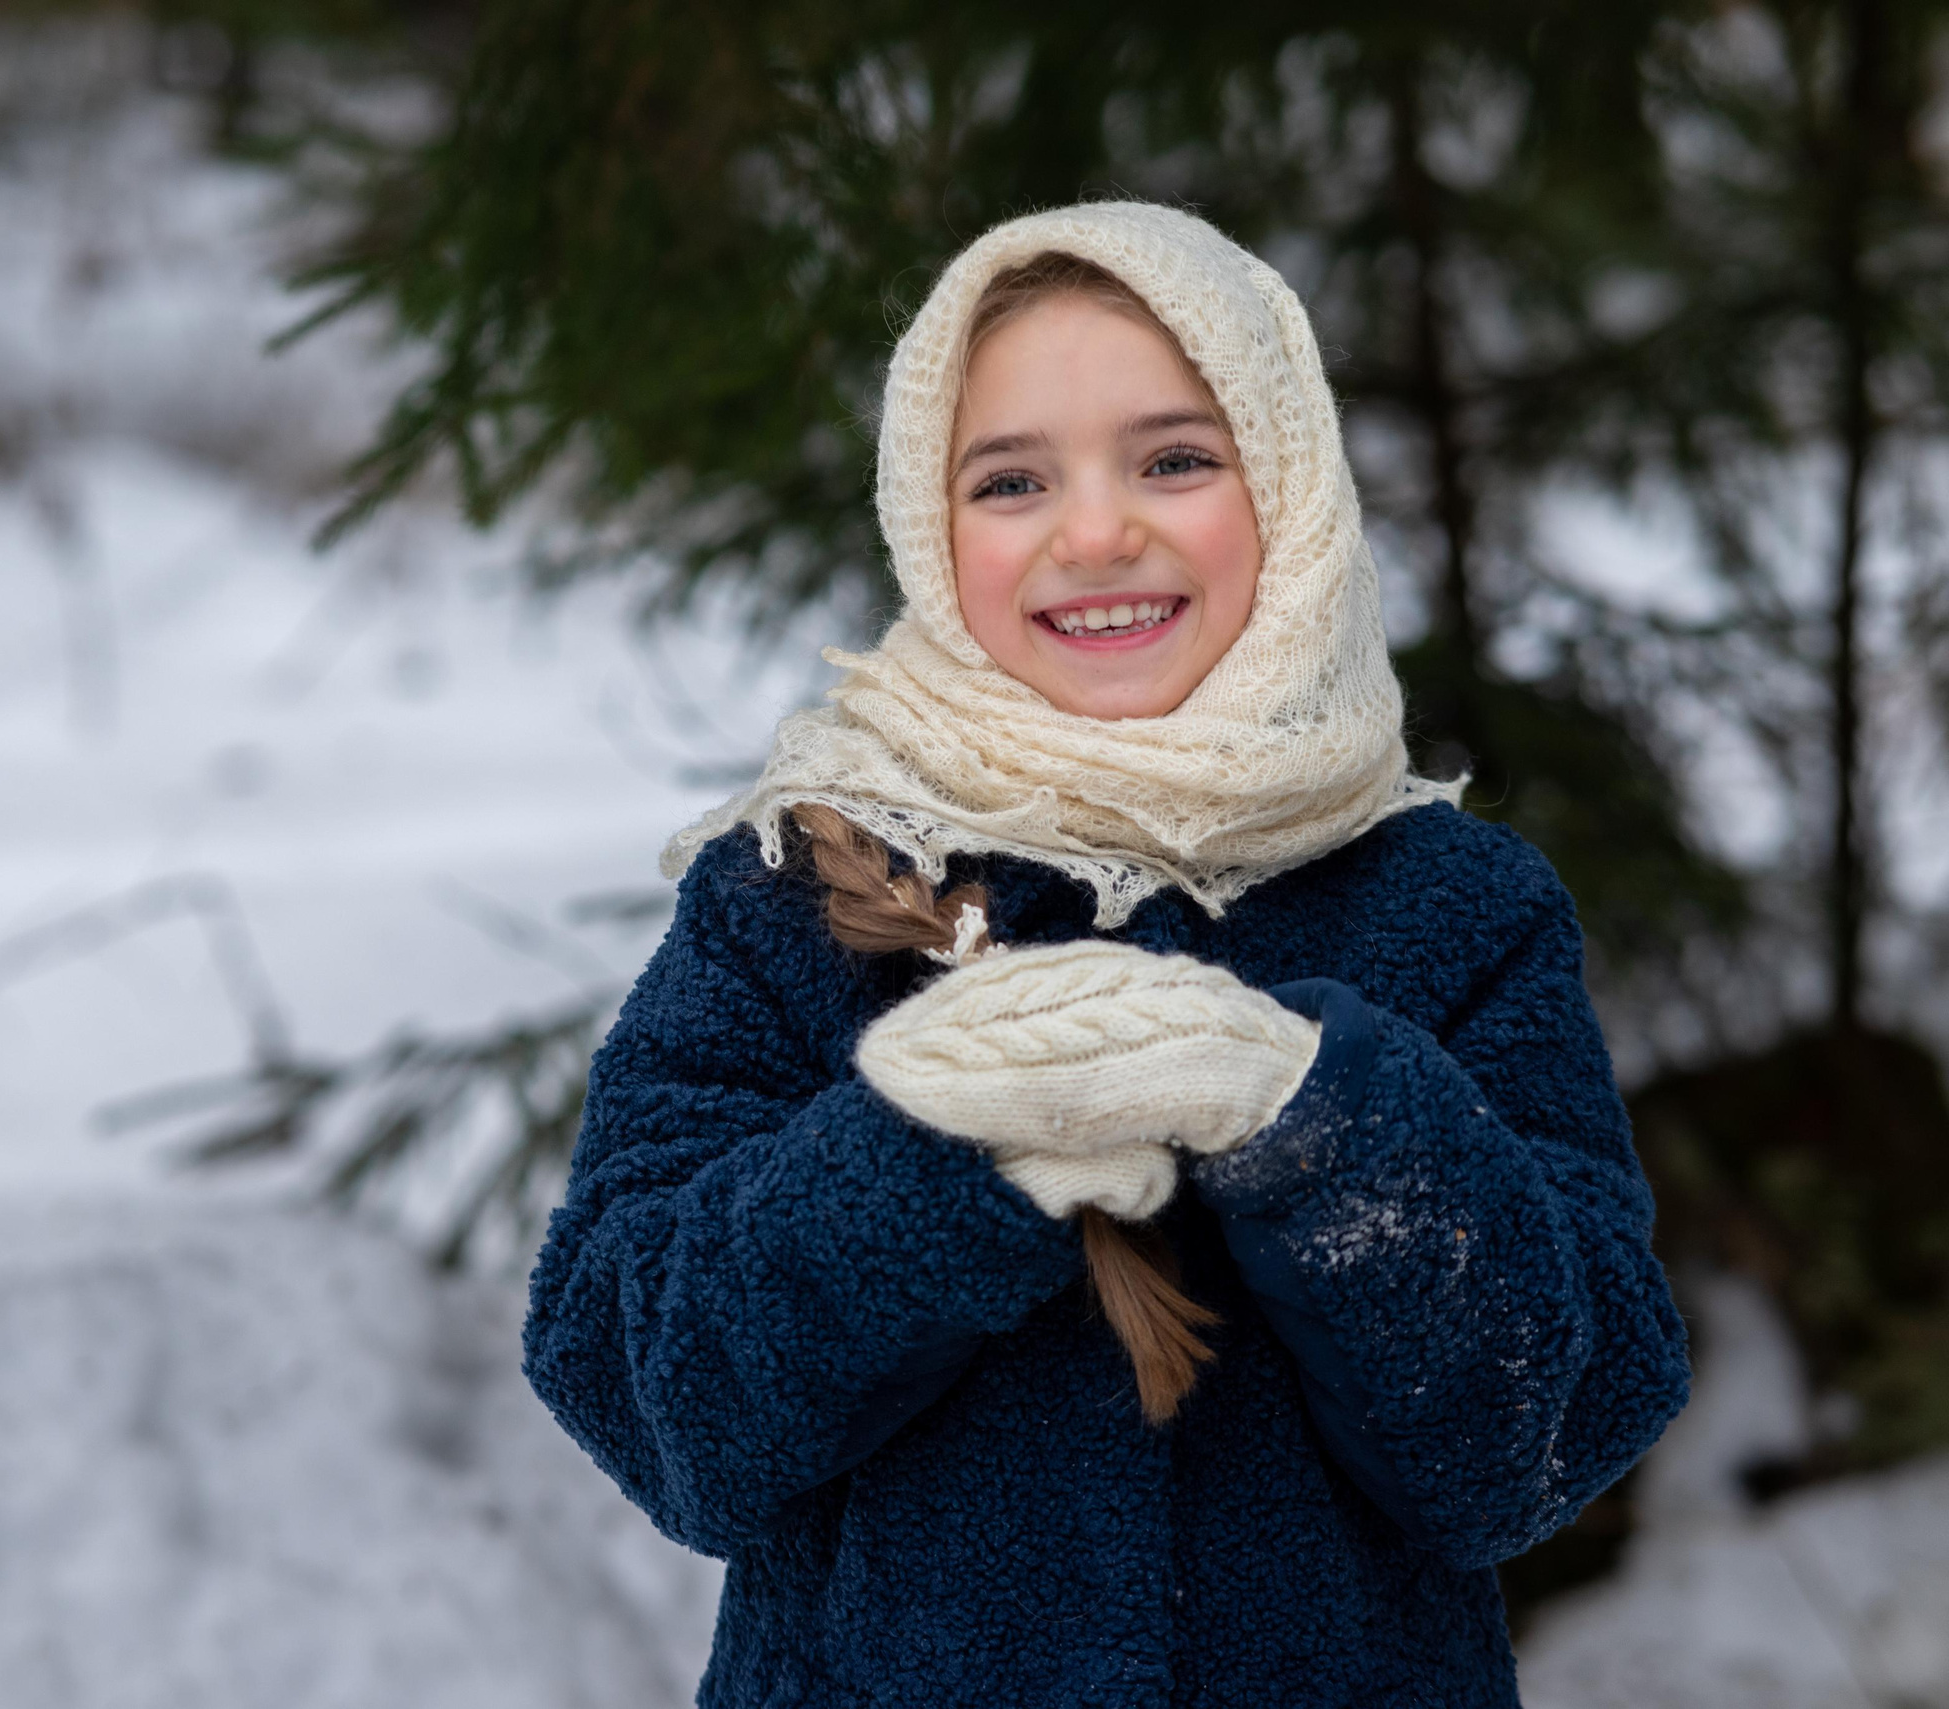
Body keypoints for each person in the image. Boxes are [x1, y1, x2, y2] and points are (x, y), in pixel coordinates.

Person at [521, 202, 1690, 1708]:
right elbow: (650, 1392)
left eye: (1175, 459)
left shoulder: (1456, 908)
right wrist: (927, 1152)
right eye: (1011, 479)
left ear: (1289, 485)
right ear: (929, 530)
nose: (1095, 530)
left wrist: (1319, 1119)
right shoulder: (798, 892)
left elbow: (1551, 1428)